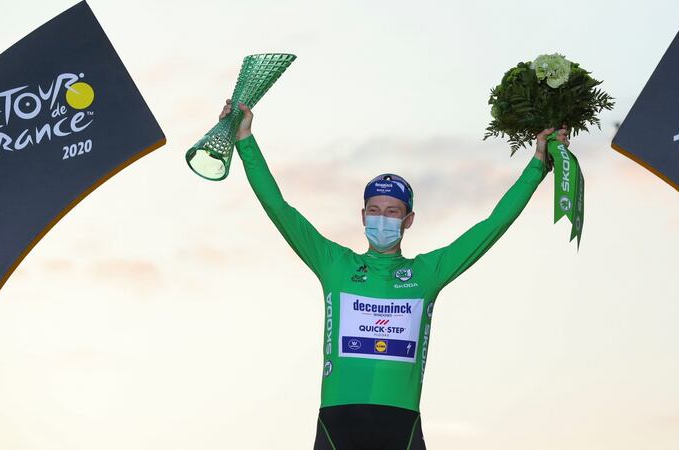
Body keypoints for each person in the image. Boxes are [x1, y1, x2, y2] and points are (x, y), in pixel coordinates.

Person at [220, 99, 569, 450]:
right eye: (374, 210)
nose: (381, 218)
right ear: (362, 215)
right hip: (338, 422)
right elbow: (278, 207)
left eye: (392, 211)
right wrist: (245, 139)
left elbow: (493, 224)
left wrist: (538, 164)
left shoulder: (427, 273)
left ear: (408, 220)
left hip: (399, 422)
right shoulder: (334, 264)